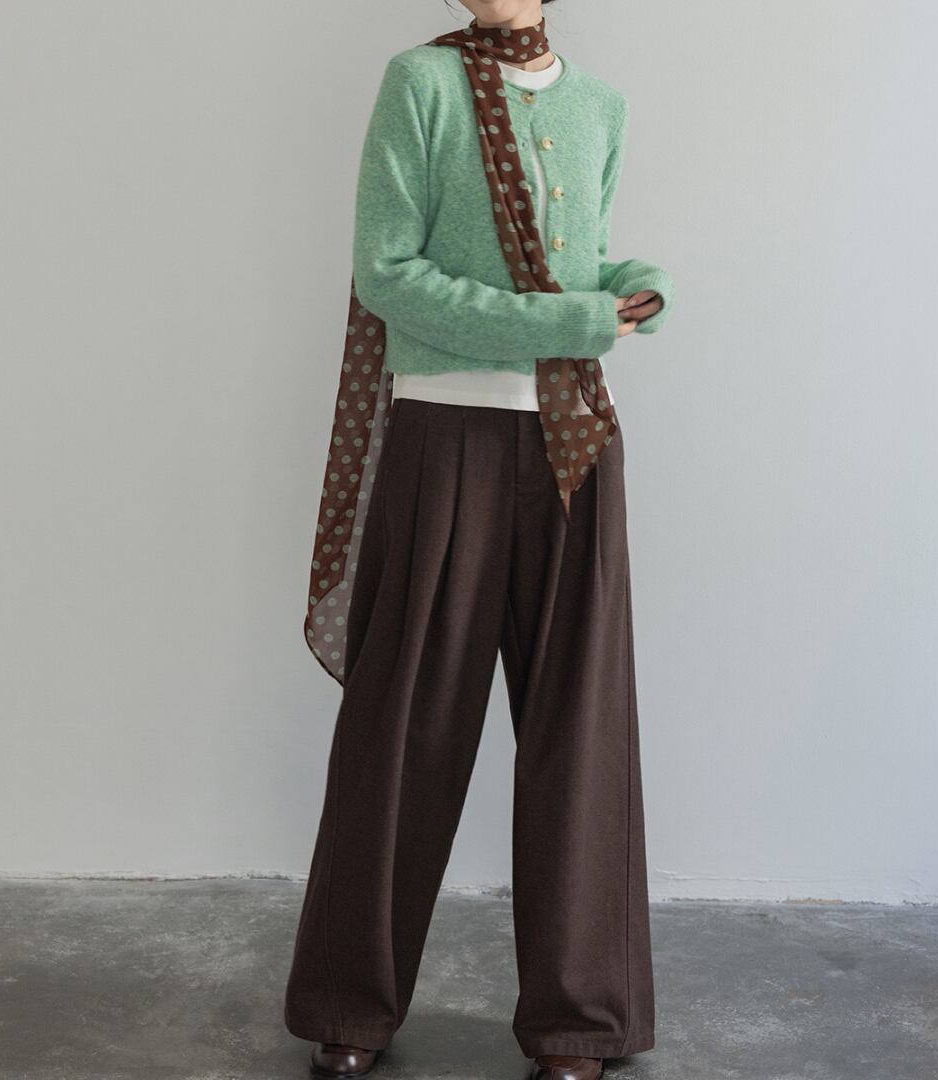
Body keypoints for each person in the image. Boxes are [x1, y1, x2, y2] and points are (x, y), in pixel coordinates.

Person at [285, 2, 676, 1078]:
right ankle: (349, 1005)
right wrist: (570, 322)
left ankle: (579, 1020)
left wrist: (633, 288)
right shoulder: (420, 83)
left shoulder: (601, 106)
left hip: (574, 443)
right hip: (444, 438)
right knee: (404, 725)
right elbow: (387, 274)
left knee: (581, 734)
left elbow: (578, 264)